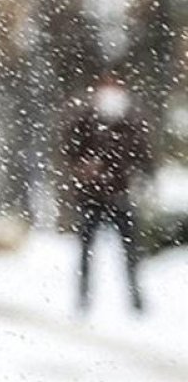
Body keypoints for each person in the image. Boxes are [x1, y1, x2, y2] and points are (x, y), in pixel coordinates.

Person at [63, 73, 154, 313]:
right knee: (86, 250)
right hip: (91, 196)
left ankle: (136, 299)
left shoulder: (132, 121)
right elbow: (70, 149)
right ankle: (83, 298)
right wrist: (84, 167)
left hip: (120, 195)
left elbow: (143, 155)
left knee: (130, 250)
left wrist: (143, 179)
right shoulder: (85, 119)